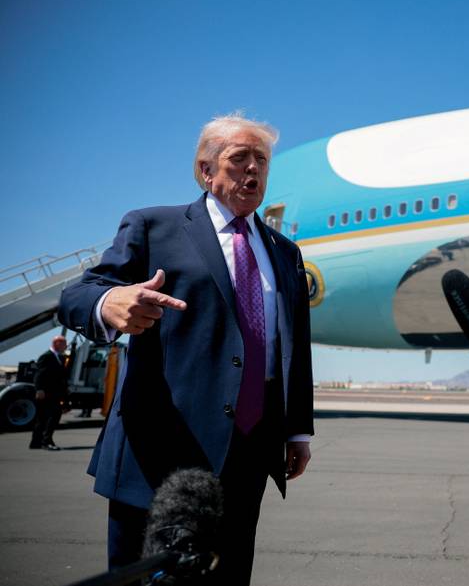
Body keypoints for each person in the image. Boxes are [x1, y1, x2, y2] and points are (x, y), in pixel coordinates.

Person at [57, 113, 314, 585]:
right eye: (239, 159)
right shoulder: (155, 227)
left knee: (229, 575)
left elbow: (292, 347)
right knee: (148, 579)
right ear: (205, 170)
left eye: (261, 160)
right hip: (160, 449)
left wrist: (297, 430)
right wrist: (109, 301)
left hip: (249, 450)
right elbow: (76, 296)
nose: (253, 170)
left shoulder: (284, 251)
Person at [29, 335, 68, 451]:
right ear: (56, 343)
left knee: (44, 418)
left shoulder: (59, 357)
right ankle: (46, 441)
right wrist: (39, 389)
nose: (65, 346)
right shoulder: (46, 356)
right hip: (47, 393)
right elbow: (39, 374)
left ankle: (36, 442)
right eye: (64, 343)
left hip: (55, 393)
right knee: (50, 418)